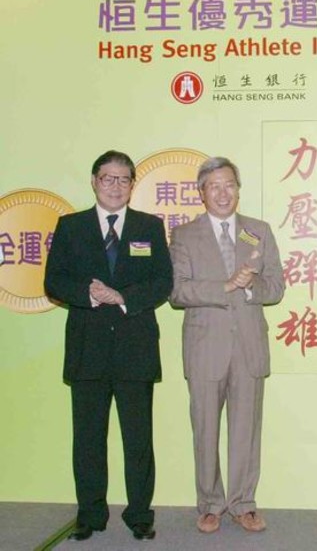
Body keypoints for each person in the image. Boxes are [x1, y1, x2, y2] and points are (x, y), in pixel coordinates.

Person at [44, 150, 173, 541]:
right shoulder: (71, 227)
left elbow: (162, 281)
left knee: (138, 438)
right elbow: (54, 281)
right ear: (94, 181)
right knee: (88, 439)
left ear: (133, 185)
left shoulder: (149, 227)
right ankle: (90, 514)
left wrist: (122, 296)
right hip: (88, 350)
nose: (115, 186)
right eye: (107, 178)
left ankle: (139, 515)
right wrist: (90, 293)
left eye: (123, 179)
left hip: (136, 348)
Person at [169, 156, 284, 535]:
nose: (223, 193)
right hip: (205, 348)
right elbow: (177, 291)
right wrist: (226, 286)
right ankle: (210, 504)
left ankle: (243, 503)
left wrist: (249, 286)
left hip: (249, 347)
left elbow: (276, 288)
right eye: (214, 186)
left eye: (229, 184)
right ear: (201, 192)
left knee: (246, 430)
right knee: (204, 429)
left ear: (238, 189)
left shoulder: (259, 230)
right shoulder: (184, 235)